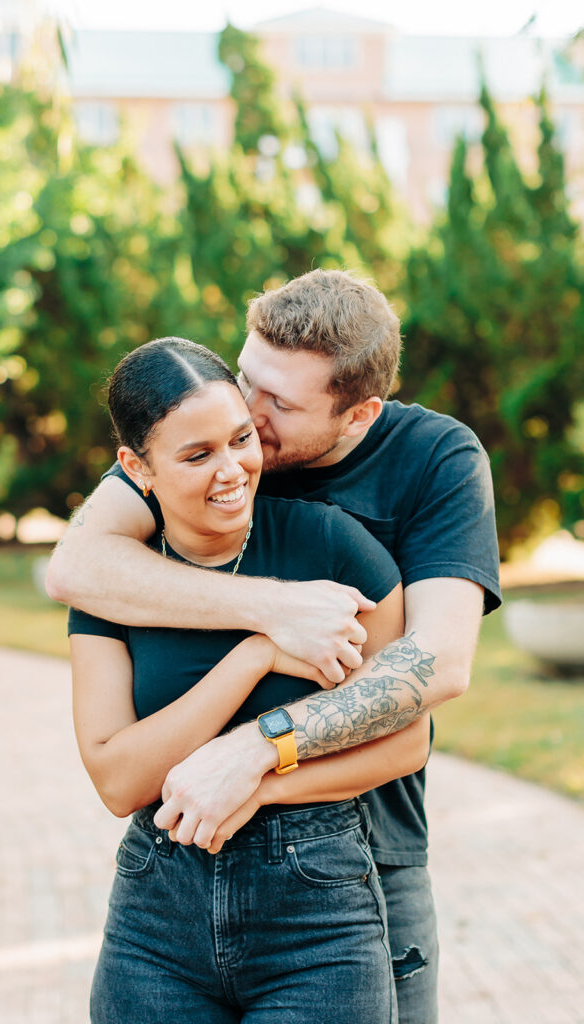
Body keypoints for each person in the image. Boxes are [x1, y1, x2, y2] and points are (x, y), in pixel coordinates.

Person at [49, 270, 502, 1024]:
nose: (247, 422)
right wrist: (271, 620)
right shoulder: (202, 442)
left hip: (363, 853)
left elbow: (436, 664)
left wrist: (259, 756)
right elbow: (76, 566)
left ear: (357, 413)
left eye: (279, 406)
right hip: (173, 875)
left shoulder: (433, 460)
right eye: (245, 377)